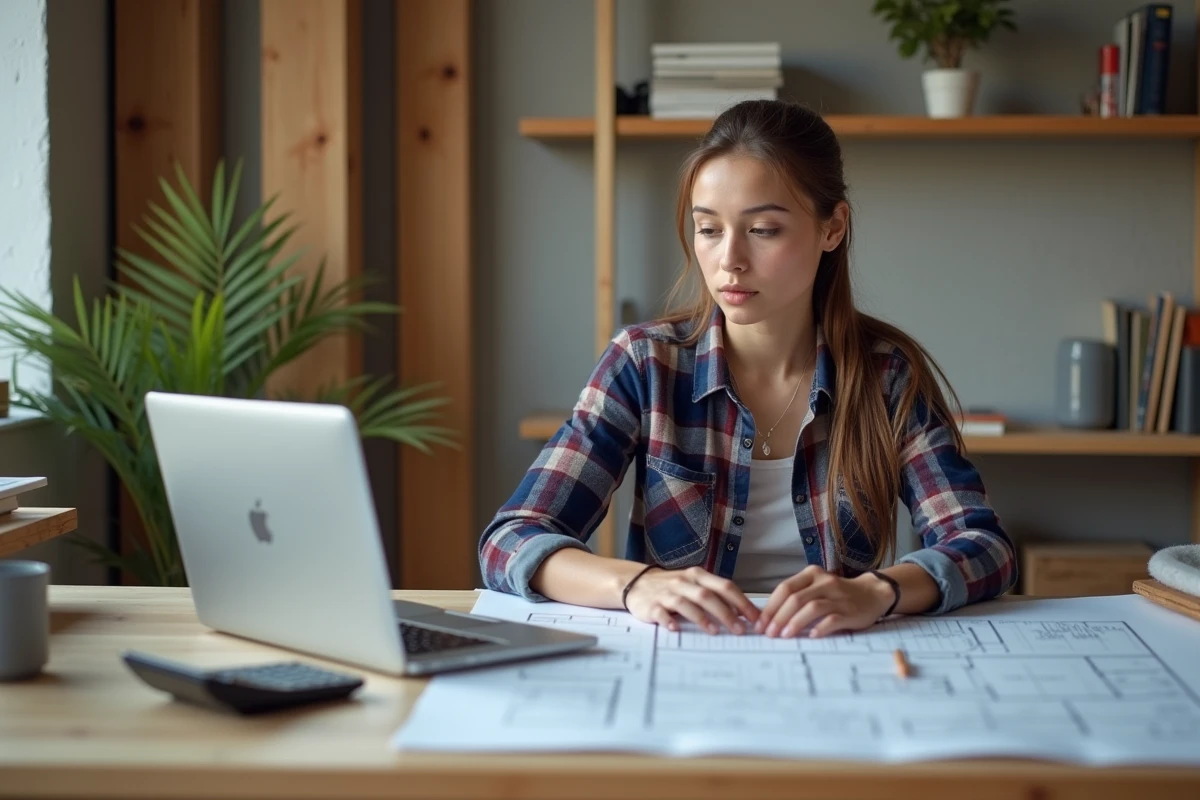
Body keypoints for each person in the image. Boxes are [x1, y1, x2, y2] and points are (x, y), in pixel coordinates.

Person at [479, 99, 1017, 639]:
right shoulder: (645, 365)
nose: (729, 259)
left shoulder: (886, 375)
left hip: (840, 661)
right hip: (684, 659)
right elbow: (513, 539)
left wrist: (877, 591)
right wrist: (637, 584)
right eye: (709, 229)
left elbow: (983, 545)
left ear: (831, 229)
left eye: (762, 230)